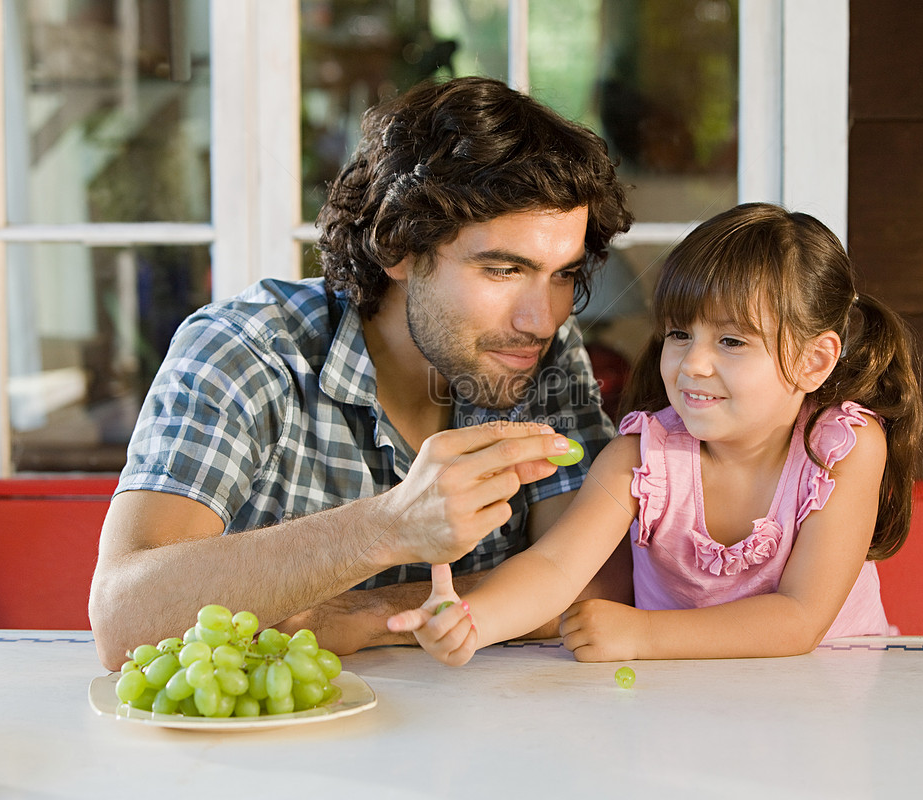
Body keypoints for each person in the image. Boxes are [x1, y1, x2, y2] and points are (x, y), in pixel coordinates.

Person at [89, 76, 633, 670]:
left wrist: (358, 615)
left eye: (562, 275)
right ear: (398, 246)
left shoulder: (537, 353)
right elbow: (125, 618)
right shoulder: (247, 349)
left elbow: (596, 587)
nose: (542, 317)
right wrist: (389, 527)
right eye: (503, 269)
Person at [388, 202, 923, 664]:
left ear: (814, 360)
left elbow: (799, 619)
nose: (693, 364)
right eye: (679, 334)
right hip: (675, 705)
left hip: (829, 698)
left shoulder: (842, 449)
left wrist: (642, 632)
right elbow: (555, 567)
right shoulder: (641, 456)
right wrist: (470, 617)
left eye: (732, 342)